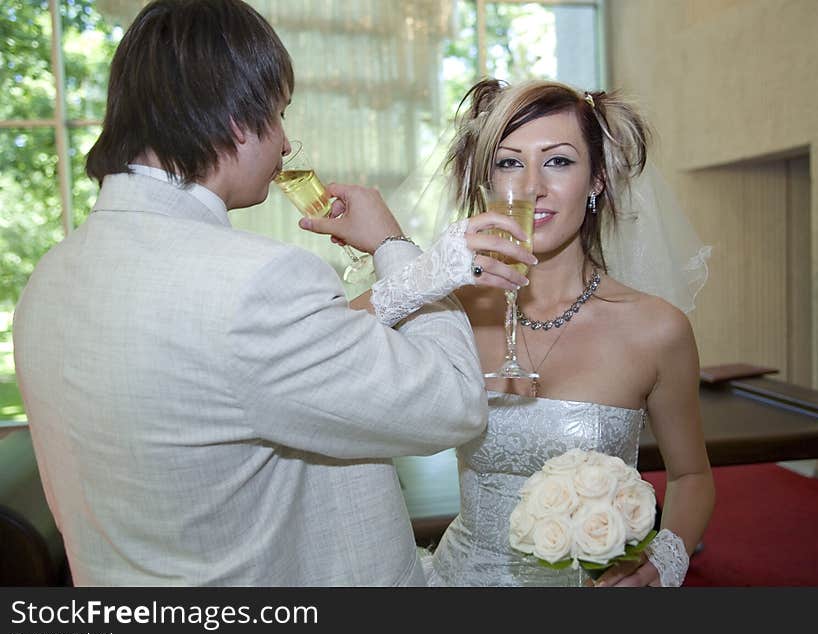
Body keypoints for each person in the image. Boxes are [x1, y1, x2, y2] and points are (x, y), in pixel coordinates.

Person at [11, 0, 533, 586]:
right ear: (238, 120)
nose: (286, 143)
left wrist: (404, 283)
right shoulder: (256, 283)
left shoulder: (50, 279)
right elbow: (454, 401)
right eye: (279, 114)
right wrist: (397, 249)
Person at [356, 78, 715, 586]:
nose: (530, 186)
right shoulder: (450, 312)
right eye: (509, 162)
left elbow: (691, 476)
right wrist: (421, 278)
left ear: (597, 181)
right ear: (487, 183)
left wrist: (665, 559)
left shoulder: (656, 329)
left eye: (558, 161)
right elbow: (318, 346)